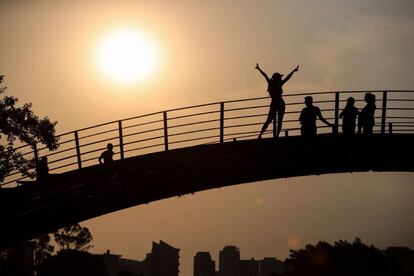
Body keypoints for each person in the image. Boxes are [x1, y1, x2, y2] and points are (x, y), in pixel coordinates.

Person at [256, 63, 299, 139]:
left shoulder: (272, 83)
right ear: (277, 78)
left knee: (272, 120)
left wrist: (293, 71)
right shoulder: (277, 84)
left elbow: (265, 75)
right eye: (279, 77)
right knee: (275, 120)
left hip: (277, 103)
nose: (281, 78)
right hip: (279, 103)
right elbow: (287, 77)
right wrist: (259, 69)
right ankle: (269, 135)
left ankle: (262, 135)